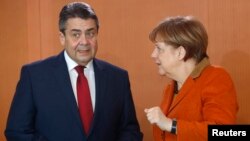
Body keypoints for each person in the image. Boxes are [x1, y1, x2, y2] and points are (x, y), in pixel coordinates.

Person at [5, 2, 143, 141]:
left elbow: (130, 131)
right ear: (62, 37)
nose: (84, 42)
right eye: (76, 35)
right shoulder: (34, 76)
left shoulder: (118, 78)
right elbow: (17, 132)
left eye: (90, 33)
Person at [144, 16, 238, 141]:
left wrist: (171, 125)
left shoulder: (216, 77)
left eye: (159, 48)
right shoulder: (170, 88)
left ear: (180, 53)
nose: (153, 55)